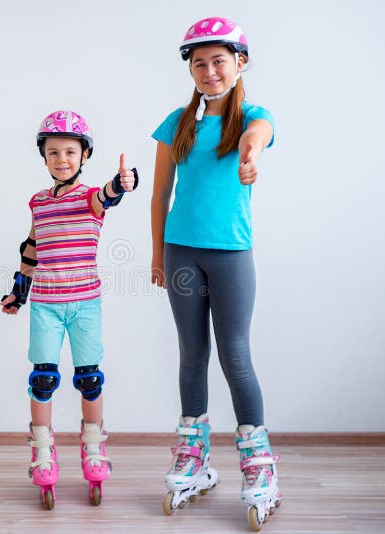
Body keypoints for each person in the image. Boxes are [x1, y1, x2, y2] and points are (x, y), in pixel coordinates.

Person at [150, 17, 281, 530]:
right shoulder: (176, 124)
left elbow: (259, 134)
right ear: (191, 69)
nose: (208, 71)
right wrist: (158, 255)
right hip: (182, 254)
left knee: (236, 355)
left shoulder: (253, 115)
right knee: (191, 353)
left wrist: (250, 153)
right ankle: (195, 458)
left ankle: (257, 462)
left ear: (239, 63)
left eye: (218, 61)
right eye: (199, 63)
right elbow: (160, 195)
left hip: (230, 255)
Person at [0, 110, 137, 509]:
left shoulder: (89, 197)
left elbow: (107, 195)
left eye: (70, 152)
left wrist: (123, 184)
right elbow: (32, 248)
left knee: (89, 378)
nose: (62, 159)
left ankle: (93, 448)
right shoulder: (38, 202)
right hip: (45, 304)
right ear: (44, 157)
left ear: (84, 156)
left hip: (85, 305)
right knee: (42, 379)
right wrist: (18, 291)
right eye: (54, 152)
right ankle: (42, 452)